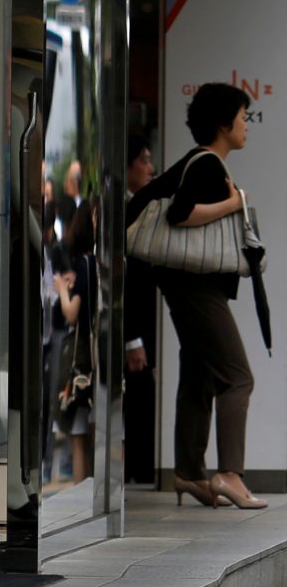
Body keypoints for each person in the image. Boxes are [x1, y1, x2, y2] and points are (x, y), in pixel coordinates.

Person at [129, 82, 264, 509]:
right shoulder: (207, 165)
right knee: (237, 376)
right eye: (243, 118)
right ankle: (229, 474)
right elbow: (179, 214)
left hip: (185, 283)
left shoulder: (199, 162)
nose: (247, 126)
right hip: (196, 286)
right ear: (224, 124)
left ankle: (188, 472)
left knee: (199, 375)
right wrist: (234, 203)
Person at [53, 199, 96, 484]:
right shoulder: (99, 263)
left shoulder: (84, 265)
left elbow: (71, 314)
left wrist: (61, 289)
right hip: (99, 353)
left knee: (78, 434)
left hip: (83, 359)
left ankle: (82, 493)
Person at [123, 134, 158, 484]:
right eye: (144, 160)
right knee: (138, 399)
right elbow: (125, 280)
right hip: (133, 330)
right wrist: (132, 338)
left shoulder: (140, 205)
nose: (150, 167)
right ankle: (137, 470)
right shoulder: (123, 211)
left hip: (144, 327)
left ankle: (140, 469)